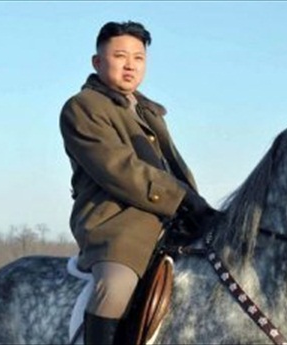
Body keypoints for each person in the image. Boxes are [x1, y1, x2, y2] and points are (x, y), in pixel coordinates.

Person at [60, 21, 215, 345]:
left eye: (138, 58)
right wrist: (182, 198)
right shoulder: (82, 107)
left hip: (168, 220)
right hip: (115, 224)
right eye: (119, 56)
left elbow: (174, 168)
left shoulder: (148, 112)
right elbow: (120, 169)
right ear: (97, 62)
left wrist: (199, 207)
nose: (130, 64)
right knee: (115, 287)